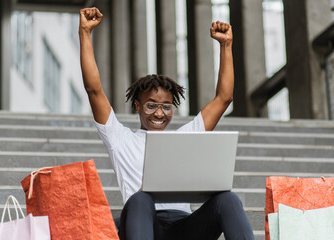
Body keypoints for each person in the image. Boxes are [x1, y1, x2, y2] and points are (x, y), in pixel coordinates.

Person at [79, 7, 254, 240]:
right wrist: (85, 32)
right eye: (151, 105)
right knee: (141, 198)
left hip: (185, 228)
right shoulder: (120, 138)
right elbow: (94, 90)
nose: (159, 114)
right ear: (137, 106)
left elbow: (224, 98)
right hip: (142, 225)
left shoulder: (186, 136)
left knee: (228, 198)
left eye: (166, 107)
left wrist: (226, 46)